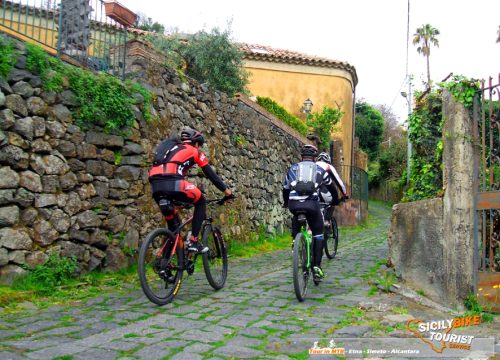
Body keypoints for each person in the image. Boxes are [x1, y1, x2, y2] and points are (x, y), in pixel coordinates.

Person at [149, 128, 232, 253]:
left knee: (174, 228)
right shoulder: (194, 151)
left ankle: (164, 265)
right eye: (200, 145)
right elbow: (211, 175)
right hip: (173, 183)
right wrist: (227, 192)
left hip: (155, 185)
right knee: (200, 201)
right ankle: (193, 241)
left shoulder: (171, 148)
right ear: (197, 143)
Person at [282, 144, 335, 281]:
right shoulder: (319, 169)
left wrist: (286, 203)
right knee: (318, 233)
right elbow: (331, 187)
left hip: (294, 204)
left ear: (301, 156)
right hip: (312, 205)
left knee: (296, 216)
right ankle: (316, 266)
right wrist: (335, 200)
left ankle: (295, 241)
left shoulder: (293, 168)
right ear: (315, 157)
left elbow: (285, 188)